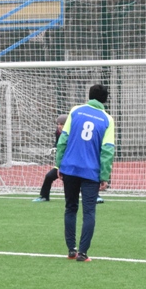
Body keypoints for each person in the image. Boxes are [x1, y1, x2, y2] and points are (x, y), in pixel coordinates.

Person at [56, 84, 115, 262]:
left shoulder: (75, 111)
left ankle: (71, 250)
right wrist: (104, 176)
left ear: (89, 96)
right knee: (89, 212)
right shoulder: (107, 119)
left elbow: (63, 140)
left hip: (70, 168)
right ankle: (82, 253)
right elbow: (107, 151)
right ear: (105, 100)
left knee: (70, 207)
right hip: (91, 172)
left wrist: (59, 165)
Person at [33, 114, 68, 202]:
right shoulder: (58, 132)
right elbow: (58, 144)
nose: (59, 126)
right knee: (49, 176)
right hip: (61, 163)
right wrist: (54, 148)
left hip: (71, 163)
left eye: (61, 124)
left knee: (81, 180)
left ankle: (95, 196)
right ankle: (44, 196)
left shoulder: (73, 133)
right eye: (58, 124)